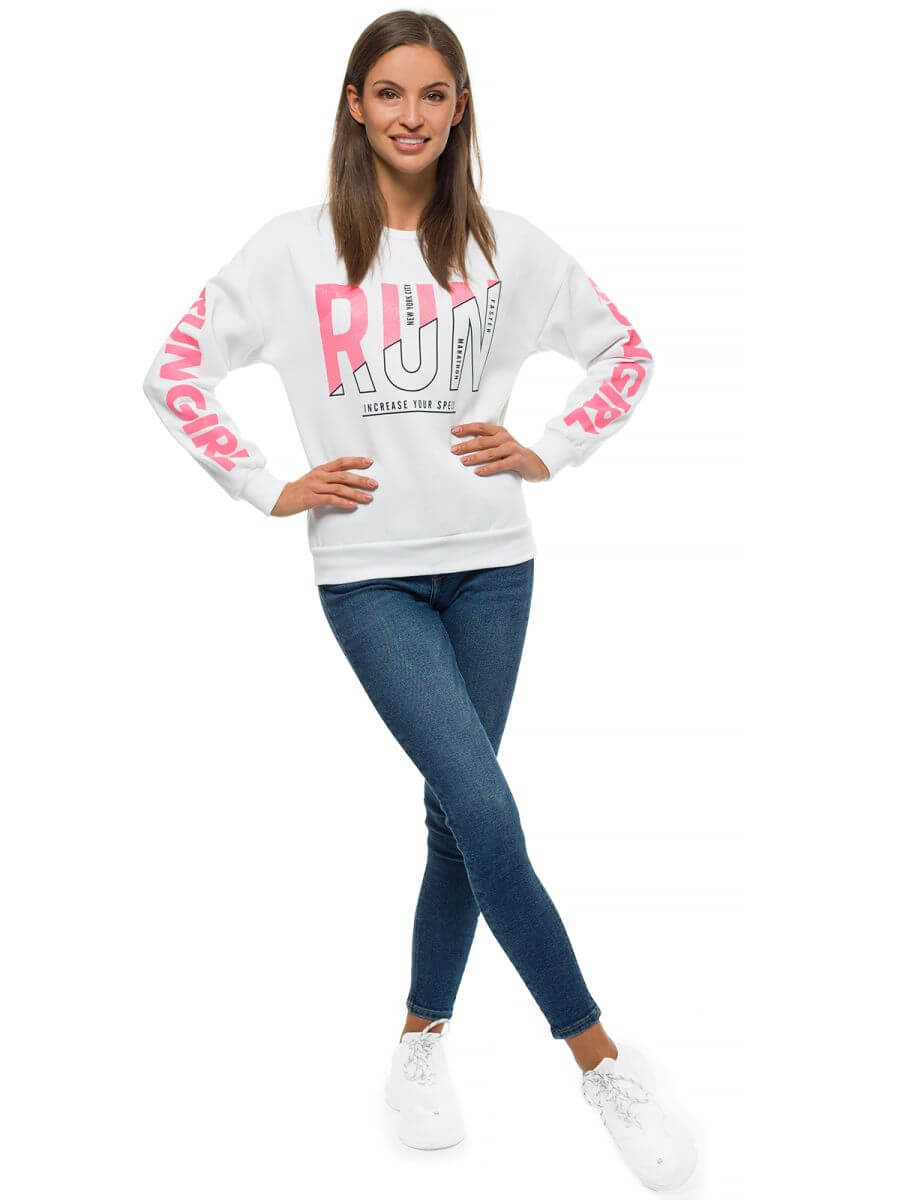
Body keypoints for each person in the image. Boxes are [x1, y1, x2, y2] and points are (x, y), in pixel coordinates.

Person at [141, 9, 697, 1191]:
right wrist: (265, 483)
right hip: (369, 578)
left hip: (497, 567)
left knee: (457, 819)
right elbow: (173, 370)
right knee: (487, 812)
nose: (410, 115)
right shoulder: (293, 250)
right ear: (354, 105)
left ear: (460, 109)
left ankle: (419, 1041)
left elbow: (628, 354)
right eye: (388, 92)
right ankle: (600, 1060)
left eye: (433, 94)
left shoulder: (507, 247)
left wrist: (550, 449)